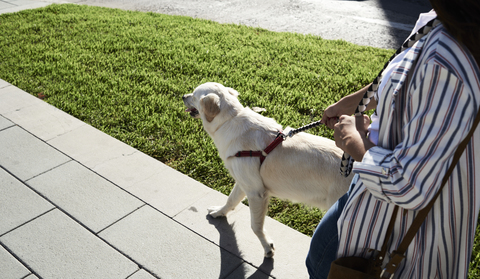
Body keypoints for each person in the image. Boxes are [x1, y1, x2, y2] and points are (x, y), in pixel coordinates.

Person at [306, 0, 480, 278]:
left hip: (397, 226)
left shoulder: (445, 61)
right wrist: (354, 103)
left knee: (322, 264)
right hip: (372, 189)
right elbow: (402, 76)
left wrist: (354, 141)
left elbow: (407, 182)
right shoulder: (442, 21)